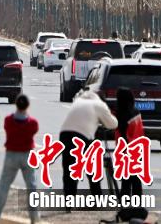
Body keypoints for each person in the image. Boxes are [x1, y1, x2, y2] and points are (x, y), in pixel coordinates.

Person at [0, 94, 40, 223]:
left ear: (16, 104)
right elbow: (33, 131)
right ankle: (34, 218)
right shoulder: (33, 123)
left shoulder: (9, 120)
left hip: (12, 155)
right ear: (28, 106)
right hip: (27, 155)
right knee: (31, 186)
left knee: (4, 185)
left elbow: (7, 129)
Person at [59, 90, 117, 200]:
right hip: (82, 136)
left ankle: (68, 199)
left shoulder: (79, 100)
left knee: (69, 168)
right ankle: (97, 196)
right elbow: (112, 124)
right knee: (92, 167)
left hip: (65, 134)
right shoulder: (100, 104)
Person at [103, 88, 148, 223]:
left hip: (126, 151)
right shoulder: (136, 112)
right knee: (136, 181)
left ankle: (125, 208)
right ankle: (137, 207)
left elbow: (116, 128)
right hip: (138, 149)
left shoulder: (122, 115)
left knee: (126, 182)